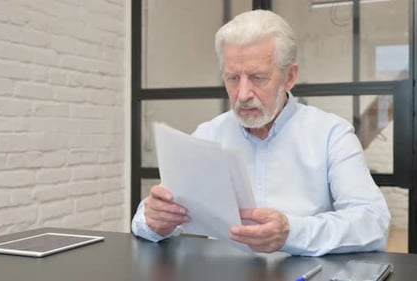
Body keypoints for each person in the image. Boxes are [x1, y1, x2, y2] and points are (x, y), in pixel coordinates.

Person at [131, 9, 391, 256]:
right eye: (233, 78)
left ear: (290, 76)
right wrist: (155, 220)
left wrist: (291, 233)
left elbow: (372, 222)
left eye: (257, 77)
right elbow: (149, 217)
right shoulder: (208, 134)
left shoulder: (331, 135)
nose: (243, 95)